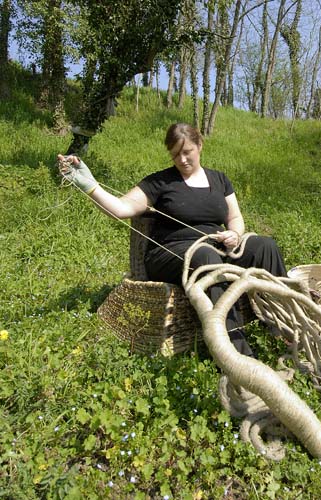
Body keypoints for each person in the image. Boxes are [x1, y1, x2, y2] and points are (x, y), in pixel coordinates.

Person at [57, 123, 287, 356]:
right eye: (175, 154)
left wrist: (235, 234)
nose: (182, 159)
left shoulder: (219, 179)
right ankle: (235, 353)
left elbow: (235, 217)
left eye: (187, 152)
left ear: (200, 145)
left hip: (215, 247)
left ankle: (286, 326)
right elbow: (121, 208)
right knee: (206, 257)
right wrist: (89, 185)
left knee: (265, 246)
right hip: (170, 254)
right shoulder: (160, 182)